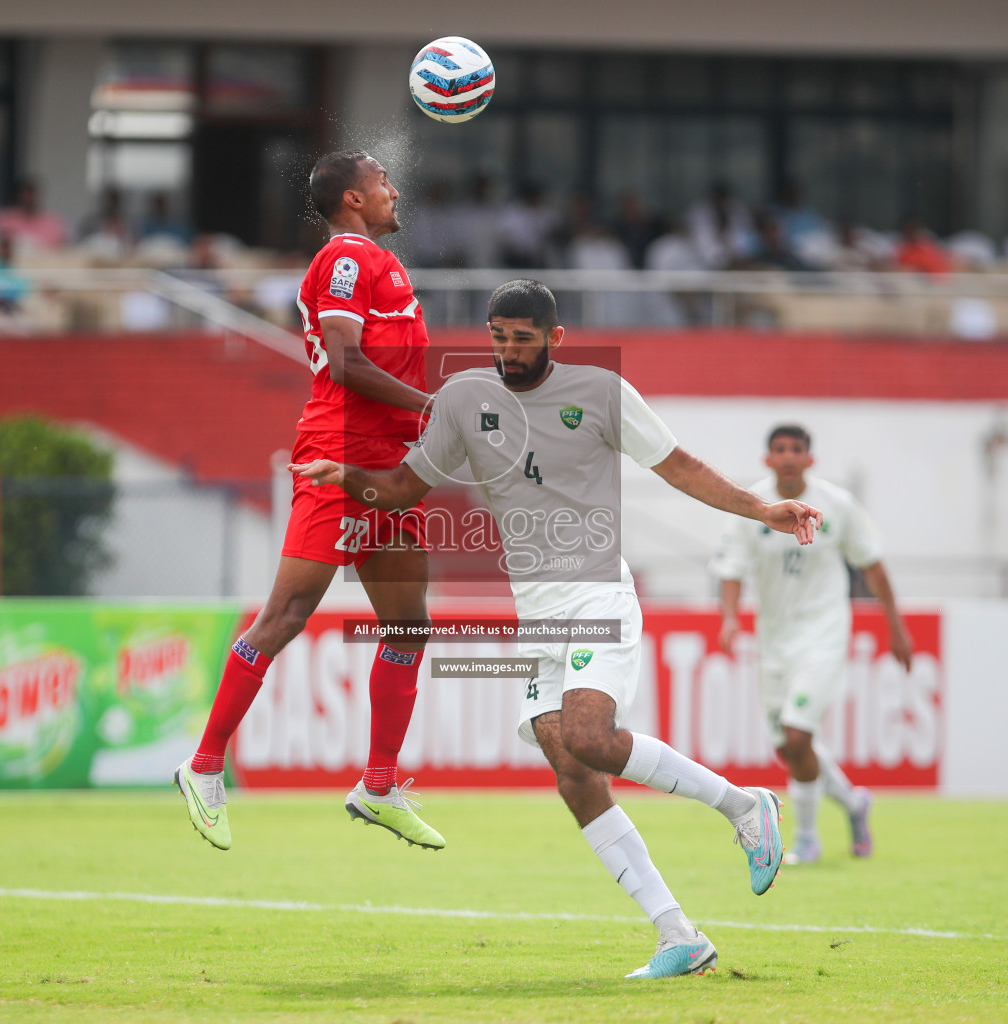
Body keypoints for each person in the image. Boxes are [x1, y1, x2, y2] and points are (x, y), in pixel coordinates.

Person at [292, 280, 822, 979]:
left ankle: (744, 806)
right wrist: (347, 477)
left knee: (589, 738)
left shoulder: (600, 392)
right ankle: (678, 935)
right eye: (497, 335)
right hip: (535, 613)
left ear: (555, 338)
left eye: (522, 336)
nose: (508, 350)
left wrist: (761, 510)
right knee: (574, 772)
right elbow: (399, 490)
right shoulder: (465, 403)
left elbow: (680, 467)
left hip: (596, 590)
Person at [174, 151, 442, 852]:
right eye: (383, 182)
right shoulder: (347, 259)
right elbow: (347, 361)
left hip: (390, 466)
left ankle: (378, 786)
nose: (393, 191)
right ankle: (203, 766)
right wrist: (433, 403)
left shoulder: (379, 262)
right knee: (287, 613)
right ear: (353, 199)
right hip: (342, 455)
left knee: (409, 627)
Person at [711, 424, 913, 865]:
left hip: (823, 633)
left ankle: (806, 839)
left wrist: (895, 627)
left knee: (799, 734)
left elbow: (873, 566)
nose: (787, 457)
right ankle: (854, 802)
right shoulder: (753, 507)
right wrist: (729, 619)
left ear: (809, 458)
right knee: (787, 745)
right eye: (779, 449)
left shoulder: (837, 505)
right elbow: (731, 568)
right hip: (775, 639)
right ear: (767, 459)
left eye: (795, 450)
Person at [0, 177, 67, 252]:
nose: (28, 199)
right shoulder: (5, 219)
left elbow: (61, 248)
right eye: (24, 195)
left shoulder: (51, 221)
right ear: (18, 196)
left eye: (31, 194)